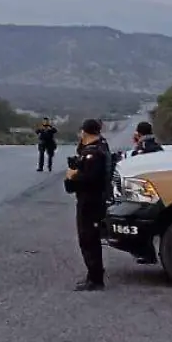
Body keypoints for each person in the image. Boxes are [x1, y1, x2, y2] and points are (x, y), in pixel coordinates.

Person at [64, 118, 112, 291]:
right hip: (94, 200)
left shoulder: (93, 154)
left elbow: (89, 180)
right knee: (90, 238)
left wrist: (71, 177)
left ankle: (95, 278)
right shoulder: (100, 147)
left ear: (84, 132)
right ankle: (94, 273)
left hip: (90, 201)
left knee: (88, 238)